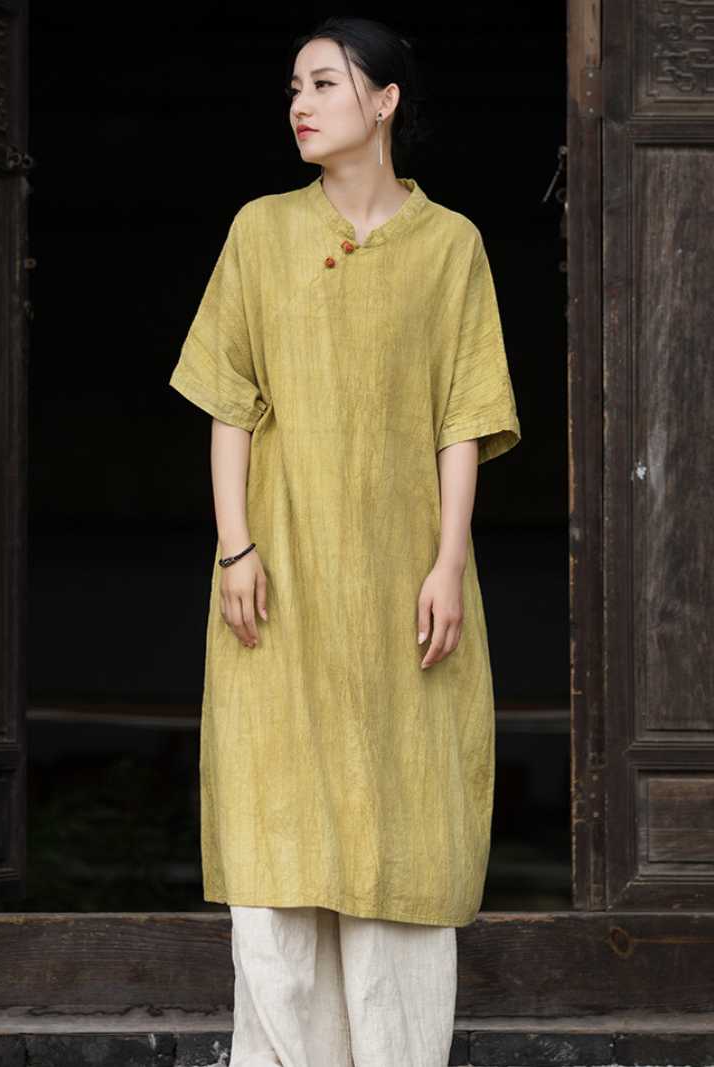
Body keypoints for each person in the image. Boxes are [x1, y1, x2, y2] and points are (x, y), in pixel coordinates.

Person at [170, 15, 520, 1067]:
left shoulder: (450, 244)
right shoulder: (260, 230)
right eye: (293, 87)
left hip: (402, 585)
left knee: (400, 833)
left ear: (385, 100)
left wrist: (447, 561)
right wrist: (235, 546)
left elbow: (463, 417)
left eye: (323, 83)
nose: (300, 104)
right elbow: (230, 401)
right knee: (276, 834)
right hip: (275, 583)